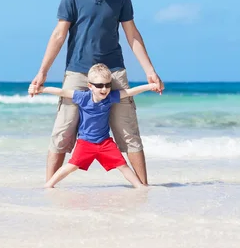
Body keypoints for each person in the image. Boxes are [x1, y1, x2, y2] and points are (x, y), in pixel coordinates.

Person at [29, 0, 164, 185]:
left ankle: (143, 188)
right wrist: (42, 73)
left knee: (128, 132)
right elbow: (59, 34)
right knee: (63, 131)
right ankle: (49, 189)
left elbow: (131, 34)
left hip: (113, 70)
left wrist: (150, 71)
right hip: (78, 71)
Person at [29, 63, 158, 189]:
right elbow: (62, 92)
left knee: (122, 165)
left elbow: (130, 92)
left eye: (108, 85)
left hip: (105, 143)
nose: (104, 89)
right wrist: (41, 89)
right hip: (85, 143)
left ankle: (140, 187)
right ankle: (48, 185)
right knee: (71, 166)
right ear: (90, 86)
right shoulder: (83, 97)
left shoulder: (110, 97)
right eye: (100, 85)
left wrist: (150, 86)